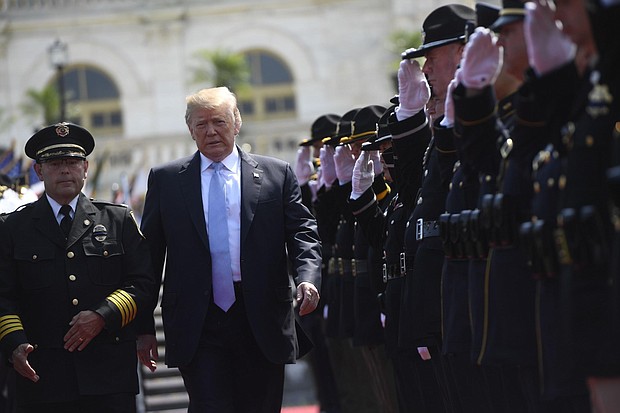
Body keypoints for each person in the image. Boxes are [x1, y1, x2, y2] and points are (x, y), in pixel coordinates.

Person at [136, 86, 322, 413]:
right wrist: (143, 327)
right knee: (210, 406)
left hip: (260, 315)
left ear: (236, 123)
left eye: (219, 122)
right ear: (190, 131)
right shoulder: (166, 180)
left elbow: (302, 231)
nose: (211, 131)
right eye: (201, 124)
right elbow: (149, 256)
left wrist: (307, 278)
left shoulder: (276, 174)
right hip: (198, 320)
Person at [0, 122, 155, 413]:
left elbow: (143, 284)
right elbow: (3, 296)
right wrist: (14, 344)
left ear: (85, 168)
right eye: (55, 163)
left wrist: (102, 315)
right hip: (41, 377)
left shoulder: (117, 221)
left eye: (72, 162)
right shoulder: (12, 228)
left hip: (107, 376)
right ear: (39, 171)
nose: (65, 170)